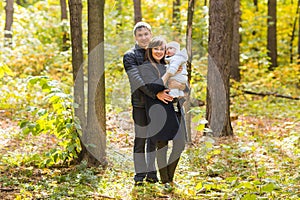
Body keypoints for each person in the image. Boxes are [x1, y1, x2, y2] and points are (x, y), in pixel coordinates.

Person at [122, 22, 173, 185]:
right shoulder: (129, 56)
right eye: (140, 35)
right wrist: (155, 94)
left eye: (146, 34)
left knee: (154, 138)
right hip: (140, 103)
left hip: (158, 104)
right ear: (135, 37)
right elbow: (137, 80)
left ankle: (152, 174)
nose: (143, 37)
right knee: (141, 138)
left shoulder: (157, 52)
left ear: (150, 35)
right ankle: (139, 175)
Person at [138, 36, 187, 189]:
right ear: (150, 50)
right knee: (162, 145)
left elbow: (186, 88)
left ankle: (170, 178)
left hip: (177, 107)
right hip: (160, 110)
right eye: (156, 49)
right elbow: (153, 88)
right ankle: (165, 181)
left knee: (180, 143)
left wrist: (178, 83)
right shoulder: (147, 67)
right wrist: (168, 76)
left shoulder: (173, 62)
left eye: (162, 49)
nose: (159, 52)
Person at [165, 41, 188, 112]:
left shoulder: (176, 58)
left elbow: (173, 67)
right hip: (181, 78)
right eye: (166, 49)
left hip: (178, 77)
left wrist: (171, 71)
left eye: (171, 48)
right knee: (177, 91)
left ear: (176, 50)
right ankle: (178, 101)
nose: (168, 51)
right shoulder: (172, 58)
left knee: (173, 91)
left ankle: (175, 104)